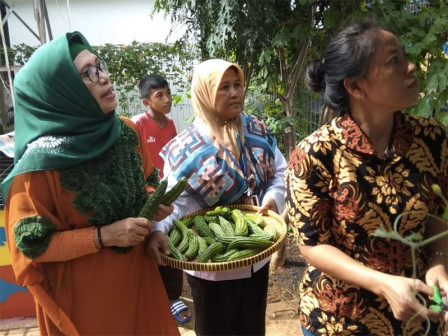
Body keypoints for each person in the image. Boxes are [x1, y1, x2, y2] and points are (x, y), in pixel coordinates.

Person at [1, 31, 180, 336]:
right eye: (87, 74)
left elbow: (147, 183)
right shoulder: (38, 167)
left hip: (139, 281)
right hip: (85, 301)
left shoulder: (124, 132)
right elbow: (33, 245)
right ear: (61, 91)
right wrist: (103, 236)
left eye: (100, 65)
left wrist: (154, 222)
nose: (104, 78)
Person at [285, 19, 448, 336]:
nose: (412, 67)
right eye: (394, 61)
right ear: (356, 87)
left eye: (404, 55)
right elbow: (312, 245)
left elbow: (434, 214)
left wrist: (439, 263)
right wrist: (383, 283)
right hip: (341, 320)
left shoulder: (433, 139)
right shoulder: (315, 155)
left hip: (419, 317)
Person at [147, 59, 287, 335]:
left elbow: (279, 172)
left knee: (252, 328)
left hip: (254, 255)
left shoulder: (256, 130)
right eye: (224, 87)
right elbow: (171, 203)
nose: (235, 93)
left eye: (237, 85)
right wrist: (157, 230)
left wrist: (272, 198)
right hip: (210, 267)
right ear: (205, 93)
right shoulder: (187, 148)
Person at [132, 75, 191, 323]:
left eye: (168, 93)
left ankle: (173, 296)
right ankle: (150, 297)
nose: (167, 99)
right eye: (160, 96)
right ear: (146, 102)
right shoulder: (137, 125)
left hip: (166, 196)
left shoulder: (169, 124)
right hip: (143, 197)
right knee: (143, 247)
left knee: (170, 240)